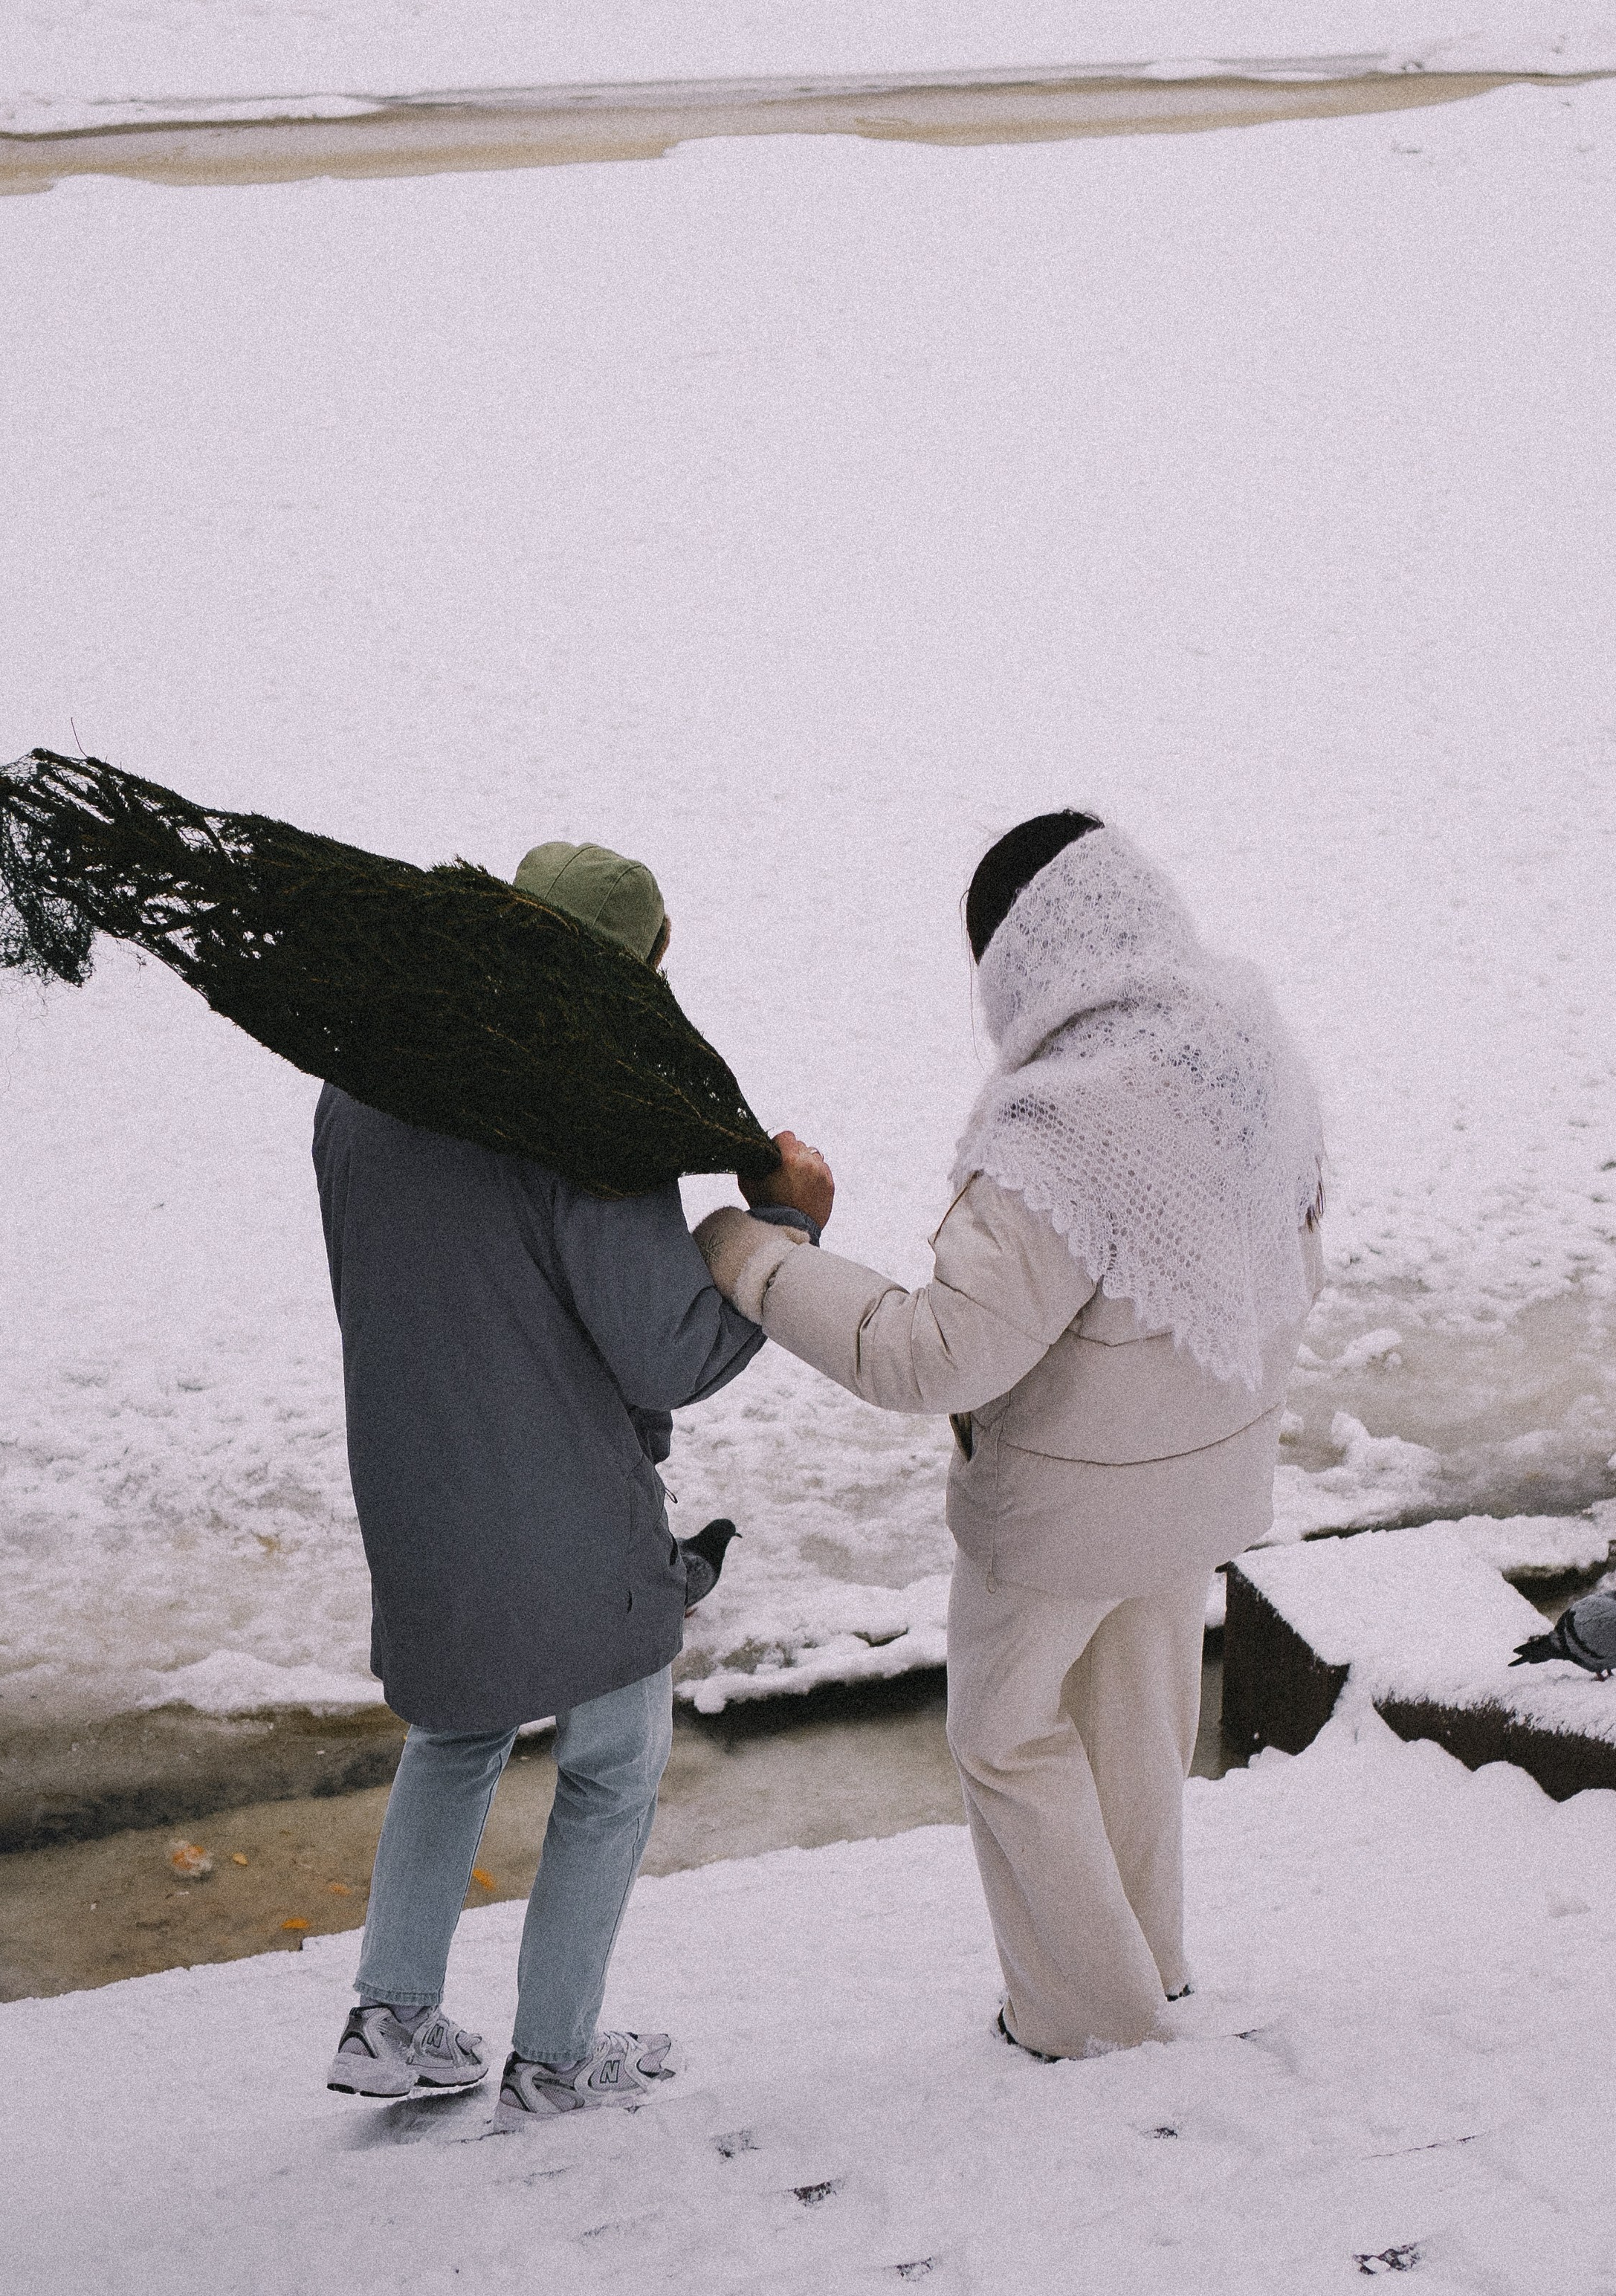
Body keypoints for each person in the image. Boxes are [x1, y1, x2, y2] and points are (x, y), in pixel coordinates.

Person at [697, 814, 1325, 2061]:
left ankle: (1085, 2015)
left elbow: (933, 1355)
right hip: (1204, 1473)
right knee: (1137, 1718)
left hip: (1060, 1516)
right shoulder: (1248, 1042)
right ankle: (1150, 1966)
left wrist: (753, 1256)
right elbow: (1299, 1248)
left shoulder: (1061, 1128)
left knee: (1006, 1734)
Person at [317, 838, 831, 2127]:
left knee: (457, 1729)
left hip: (410, 1479)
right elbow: (672, 1348)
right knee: (613, 1765)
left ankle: (390, 2016)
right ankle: (555, 2059)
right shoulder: (579, 1123)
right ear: (637, 970)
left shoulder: (362, 1087)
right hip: (566, 1504)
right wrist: (790, 1225)